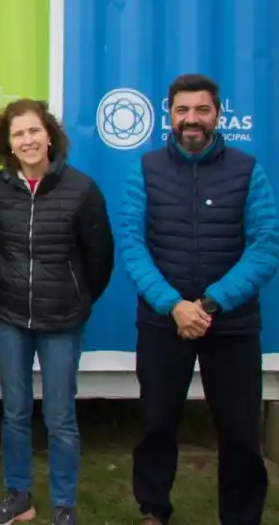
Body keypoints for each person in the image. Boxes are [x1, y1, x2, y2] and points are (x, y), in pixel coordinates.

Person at [121, 73, 279, 525]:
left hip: (231, 326)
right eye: (183, 110)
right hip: (162, 323)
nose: (192, 120)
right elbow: (133, 244)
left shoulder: (248, 170)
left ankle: (241, 515)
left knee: (240, 432)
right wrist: (174, 305)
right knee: (156, 424)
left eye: (202, 110)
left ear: (218, 114)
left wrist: (208, 305)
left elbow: (266, 244)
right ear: (169, 114)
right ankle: (153, 509)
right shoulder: (145, 169)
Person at [0, 99, 115, 525]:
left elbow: (100, 258)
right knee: (15, 411)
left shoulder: (82, 188)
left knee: (60, 416)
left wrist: (77, 298)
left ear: (49, 135)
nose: (28, 140)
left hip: (62, 321)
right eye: (18, 134)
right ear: (9, 144)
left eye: (34, 131)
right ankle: (18, 496)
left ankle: (63, 504)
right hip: (10, 317)